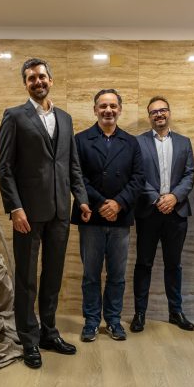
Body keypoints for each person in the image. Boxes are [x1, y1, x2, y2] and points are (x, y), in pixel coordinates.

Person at [0, 58, 91, 369]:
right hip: (27, 213)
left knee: (53, 275)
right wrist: (15, 208)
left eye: (42, 76)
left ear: (51, 79)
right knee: (26, 278)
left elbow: (72, 164)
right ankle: (28, 338)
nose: (38, 81)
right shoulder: (14, 116)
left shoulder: (65, 118)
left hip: (60, 211)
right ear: (25, 84)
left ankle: (49, 332)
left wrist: (82, 199)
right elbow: (4, 168)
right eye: (31, 78)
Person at [72, 89, 144, 342]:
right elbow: (77, 177)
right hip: (91, 216)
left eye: (113, 106)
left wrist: (118, 204)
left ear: (120, 110)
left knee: (117, 275)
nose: (108, 110)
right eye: (103, 106)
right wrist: (103, 203)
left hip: (120, 218)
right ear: (95, 110)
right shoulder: (80, 140)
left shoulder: (131, 142)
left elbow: (138, 178)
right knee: (91, 275)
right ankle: (91, 321)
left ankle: (113, 320)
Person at [132, 96, 194, 332]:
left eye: (162, 110)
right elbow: (137, 175)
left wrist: (174, 197)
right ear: (149, 116)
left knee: (174, 264)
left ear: (169, 113)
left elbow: (190, 174)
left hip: (176, 213)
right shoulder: (138, 142)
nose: (159, 114)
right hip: (149, 212)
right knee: (143, 263)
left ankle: (175, 312)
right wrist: (157, 198)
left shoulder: (184, 142)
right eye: (154, 112)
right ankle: (139, 313)